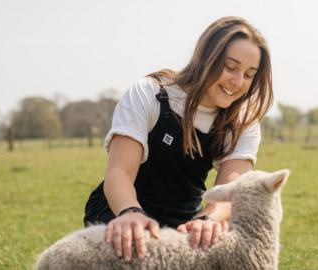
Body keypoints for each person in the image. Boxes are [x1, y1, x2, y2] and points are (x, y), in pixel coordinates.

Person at [83, 16, 273, 262]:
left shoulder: (243, 121)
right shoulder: (149, 94)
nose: (238, 82)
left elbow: (229, 191)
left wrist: (208, 220)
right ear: (205, 58)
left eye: (249, 74)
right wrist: (130, 212)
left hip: (184, 226)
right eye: (230, 67)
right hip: (119, 213)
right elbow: (119, 172)